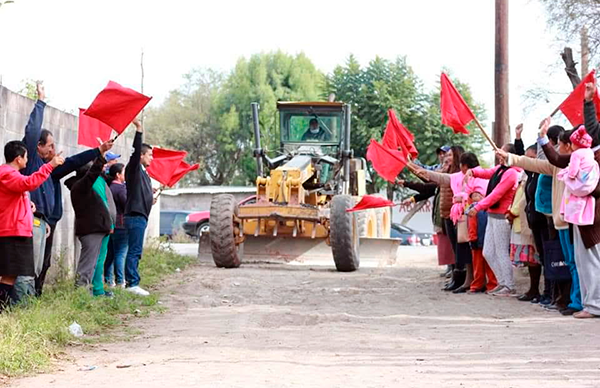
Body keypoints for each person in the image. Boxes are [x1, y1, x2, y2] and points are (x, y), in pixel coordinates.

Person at [497, 126, 577, 314]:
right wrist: (510, 158)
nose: (557, 148)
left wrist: (541, 138)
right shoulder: (555, 165)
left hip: (569, 220)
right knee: (563, 261)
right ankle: (566, 299)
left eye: (561, 144)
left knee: (571, 262)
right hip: (554, 220)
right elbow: (533, 162)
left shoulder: (577, 163)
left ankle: (575, 300)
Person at [0, 141, 64, 310]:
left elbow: (14, 196)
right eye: (26, 157)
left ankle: (5, 309)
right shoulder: (7, 173)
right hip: (12, 231)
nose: (27, 161)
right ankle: (3, 309)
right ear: (18, 158)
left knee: (11, 274)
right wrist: (49, 165)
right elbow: (29, 183)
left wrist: (28, 205)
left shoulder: (10, 175)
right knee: (9, 274)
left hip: (16, 230)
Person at [412, 152, 487, 293]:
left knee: (474, 250)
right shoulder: (461, 176)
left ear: (463, 165)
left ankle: (476, 281)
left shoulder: (480, 176)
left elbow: (479, 196)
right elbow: (441, 177)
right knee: (464, 250)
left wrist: (463, 198)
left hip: (474, 217)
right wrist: (423, 171)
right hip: (463, 218)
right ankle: (470, 280)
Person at [465, 143, 521, 296]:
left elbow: (497, 194)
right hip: (492, 215)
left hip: (502, 217)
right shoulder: (500, 169)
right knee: (488, 252)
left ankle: (509, 285)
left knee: (501, 252)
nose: (499, 155)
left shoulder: (511, 173)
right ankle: (502, 282)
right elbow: (486, 172)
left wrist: (478, 207)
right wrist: (472, 171)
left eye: (502, 153)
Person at [124, 118, 155, 296]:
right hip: (135, 217)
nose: (151, 158)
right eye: (149, 155)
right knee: (134, 250)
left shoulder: (144, 174)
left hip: (140, 216)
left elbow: (142, 194)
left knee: (136, 250)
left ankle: (132, 282)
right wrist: (139, 130)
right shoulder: (134, 168)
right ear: (141, 156)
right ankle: (132, 283)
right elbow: (135, 153)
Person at [556, 126, 599, 225]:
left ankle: (567, 213)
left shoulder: (576, 154)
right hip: (589, 180)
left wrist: (570, 176)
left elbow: (573, 170)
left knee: (570, 195)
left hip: (579, 183)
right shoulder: (590, 152)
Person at [465, 189, 498, 293]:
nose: (476, 198)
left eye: (478, 195)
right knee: (478, 265)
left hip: (486, 239)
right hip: (477, 240)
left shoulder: (487, 208)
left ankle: (491, 284)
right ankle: (479, 284)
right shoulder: (472, 210)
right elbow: (471, 226)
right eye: (473, 196)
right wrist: (472, 238)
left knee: (488, 263)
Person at [104, 163, 128, 288]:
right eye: (124, 172)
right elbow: (126, 206)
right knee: (120, 253)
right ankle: (120, 280)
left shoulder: (108, 188)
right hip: (121, 225)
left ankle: (108, 280)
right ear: (118, 175)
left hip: (110, 225)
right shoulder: (121, 189)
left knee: (110, 254)